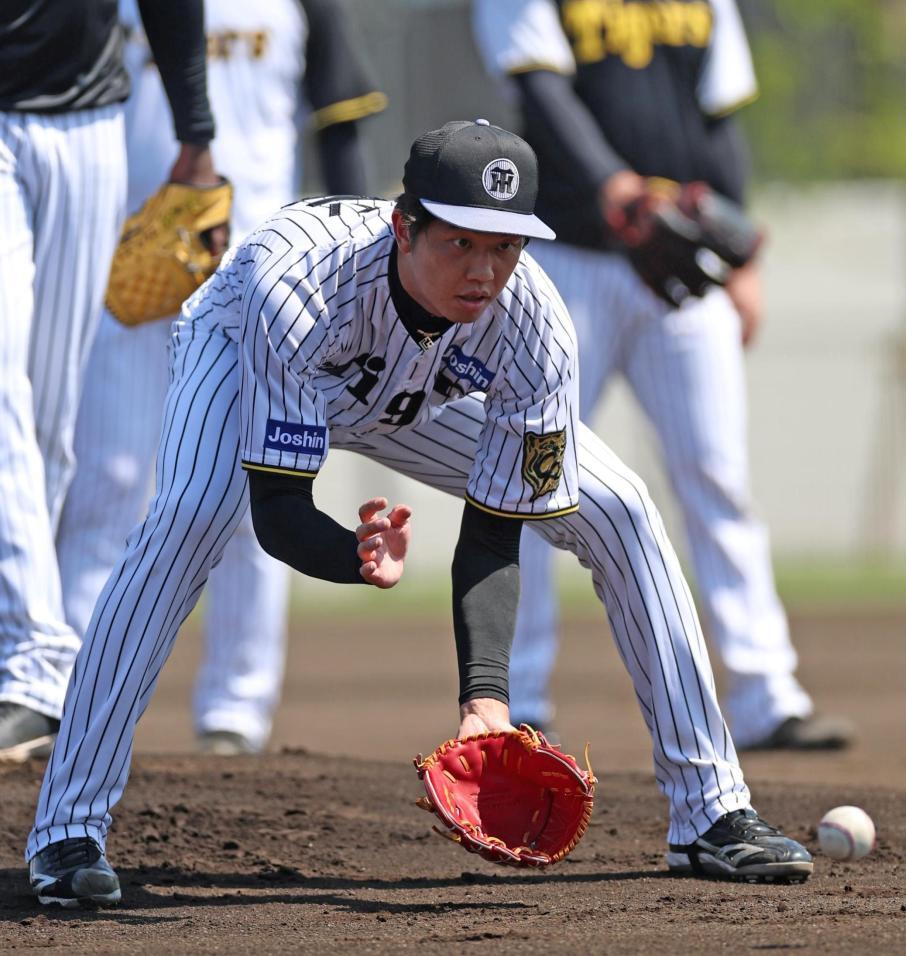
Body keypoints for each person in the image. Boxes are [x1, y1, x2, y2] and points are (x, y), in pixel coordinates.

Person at [26, 120, 814, 908]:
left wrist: (486, 700)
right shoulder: (297, 280)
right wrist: (351, 555)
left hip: (412, 393)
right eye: (460, 242)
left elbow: (496, 525)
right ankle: (68, 828)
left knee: (621, 508)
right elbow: (276, 510)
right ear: (405, 227)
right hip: (246, 353)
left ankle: (711, 811)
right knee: (190, 519)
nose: (484, 270)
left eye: (505, 246)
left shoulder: (534, 323)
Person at [472, 0, 852, 750]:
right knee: (530, 469)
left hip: (680, 260)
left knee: (717, 474)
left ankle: (766, 694)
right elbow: (541, 91)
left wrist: (742, 261)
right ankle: (519, 699)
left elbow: (718, 117)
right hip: (569, 258)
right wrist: (614, 185)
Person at [54, 0, 387, 758]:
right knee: (107, 483)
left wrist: (363, 271)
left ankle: (236, 709)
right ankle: (66, 697)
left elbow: (339, 125)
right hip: (130, 270)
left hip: (265, 285)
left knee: (255, 492)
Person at [0, 0, 223, 762]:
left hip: (89, 126)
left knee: (44, 418)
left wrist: (195, 134)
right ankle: (37, 662)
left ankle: (20, 660)